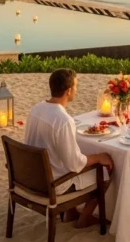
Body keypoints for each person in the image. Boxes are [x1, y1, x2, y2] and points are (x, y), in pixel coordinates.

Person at [25, 69, 113, 228]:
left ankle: (71, 213)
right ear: (69, 91)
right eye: (76, 86)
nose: (76, 90)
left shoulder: (36, 109)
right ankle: (84, 218)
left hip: (32, 178)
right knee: (105, 173)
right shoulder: (63, 120)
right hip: (52, 185)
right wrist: (100, 157)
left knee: (66, 160)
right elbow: (75, 163)